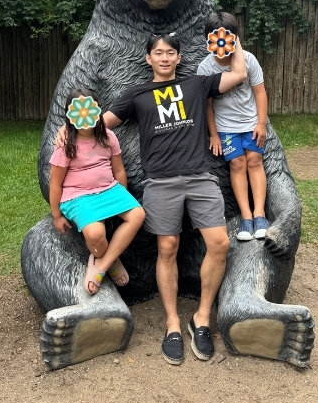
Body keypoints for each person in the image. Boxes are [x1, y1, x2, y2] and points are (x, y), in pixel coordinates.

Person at [57, 31, 250, 365]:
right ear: (148, 58)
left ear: (178, 57)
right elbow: (100, 124)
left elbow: (240, 73)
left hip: (200, 177)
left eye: (170, 52)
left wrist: (231, 38)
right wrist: (69, 126)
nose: (164, 57)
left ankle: (202, 318)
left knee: (220, 244)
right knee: (167, 247)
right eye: (158, 53)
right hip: (160, 182)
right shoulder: (136, 94)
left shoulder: (197, 84)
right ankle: (172, 323)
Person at [49, 87, 146, 295]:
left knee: (138, 214)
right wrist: (57, 215)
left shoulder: (108, 137)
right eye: (79, 111)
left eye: (90, 109)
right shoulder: (66, 144)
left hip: (109, 190)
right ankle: (111, 260)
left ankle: (101, 265)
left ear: (97, 110)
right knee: (95, 234)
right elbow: (55, 183)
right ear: (70, 115)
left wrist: (122, 196)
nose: (85, 116)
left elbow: (118, 170)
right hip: (78, 196)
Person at [197, 12, 270, 241]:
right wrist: (213, 134)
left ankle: (260, 214)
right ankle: (246, 217)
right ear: (209, 39)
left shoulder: (249, 59)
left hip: (250, 123)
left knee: (254, 161)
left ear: (235, 38)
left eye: (229, 36)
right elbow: (207, 105)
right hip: (226, 127)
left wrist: (261, 123)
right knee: (237, 165)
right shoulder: (205, 68)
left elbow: (260, 92)